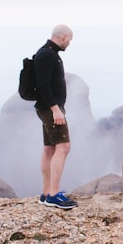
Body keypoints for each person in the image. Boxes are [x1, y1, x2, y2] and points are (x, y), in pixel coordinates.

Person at [33, 24, 76, 209]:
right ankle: (53, 195)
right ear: (64, 37)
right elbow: (42, 85)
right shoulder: (47, 55)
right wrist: (55, 109)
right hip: (51, 109)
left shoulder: (48, 53)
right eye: (70, 40)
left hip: (48, 108)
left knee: (50, 148)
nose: (70, 43)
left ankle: (46, 192)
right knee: (63, 146)